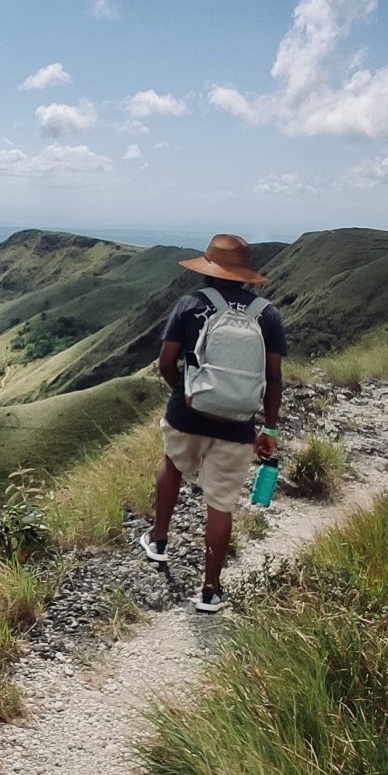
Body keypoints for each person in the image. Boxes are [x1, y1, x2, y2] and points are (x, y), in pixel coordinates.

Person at [136, 233, 285, 614]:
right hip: (238, 423)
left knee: (171, 464)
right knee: (220, 504)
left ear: (209, 269)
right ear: (244, 275)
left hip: (188, 412)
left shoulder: (190, 304)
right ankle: (210, 591)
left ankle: (159, 540)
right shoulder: (267, 314)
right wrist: (269, 428)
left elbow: (166, 362)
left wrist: (184, 392)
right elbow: (273, 377)